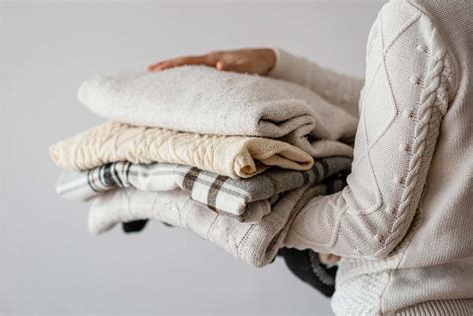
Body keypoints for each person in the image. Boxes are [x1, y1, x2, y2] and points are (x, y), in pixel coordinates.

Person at [148, 0, 473, 314]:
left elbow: (368, 227)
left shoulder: (418, 19)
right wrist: (279, 64)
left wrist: (201, 200)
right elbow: (425, 103)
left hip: (403, 304)